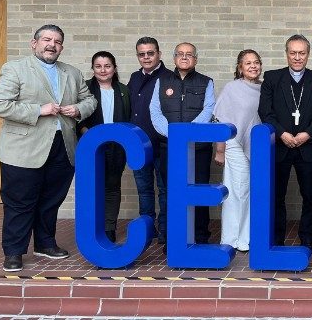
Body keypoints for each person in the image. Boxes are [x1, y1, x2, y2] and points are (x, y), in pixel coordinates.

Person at [0, 24, 97, 272]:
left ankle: (45, 243)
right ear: (34, 43)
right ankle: (14, 251)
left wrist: (78, 109)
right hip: (23, 149)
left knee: (51, 200)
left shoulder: (72, 73)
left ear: (61, 47)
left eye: (57, 41)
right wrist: (39, 110)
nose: (52, 45)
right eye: (47, 39)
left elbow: (90, 100)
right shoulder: (15, 69)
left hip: (63, 147)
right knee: (20, 202)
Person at [257, 34, 312, 258]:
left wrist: (307, 134)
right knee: (277, 196)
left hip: (309, 147)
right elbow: (265, 111)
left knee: (310, 197)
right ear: (286, 53)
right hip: (281, 146)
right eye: (293, 53)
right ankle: (277, 239)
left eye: (302, 53)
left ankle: (307, 240)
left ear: (308, 54)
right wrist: (282, 133)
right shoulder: (272, 78)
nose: (297, 57)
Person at [150, 42, 215, 248]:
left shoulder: (206, 82)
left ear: (196, 59)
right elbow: (155, 111)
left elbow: (209, 109)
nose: (184, 57)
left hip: (198, 149)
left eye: (189, 54)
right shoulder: (161, 81)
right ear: (174, 58)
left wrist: (188, 133)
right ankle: (174, 240)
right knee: (172, 193)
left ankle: (201, 237)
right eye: (180, 54)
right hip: (169, 148)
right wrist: (175, 135)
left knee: (200, 192)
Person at [77, 51, 132, 243]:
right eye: (98, 66)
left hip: (116, 148)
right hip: (91, 147)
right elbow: (76, 118)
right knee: (91, 188)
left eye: (107, 66)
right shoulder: (84, 89)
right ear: (92, 69)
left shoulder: (124, 90)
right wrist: (89, 135)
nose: (103, 70)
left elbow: (129, 118)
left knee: (112, 188)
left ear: (114, 68)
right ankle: (92, 227)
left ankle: (109, 228)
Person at [213, 49, 263, 253]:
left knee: (250, 191)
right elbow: (221, 120)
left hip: (257, 146)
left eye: (256, 62)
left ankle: (246, 237)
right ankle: (231, 238)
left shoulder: (264, 88)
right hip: (233, 144)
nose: (253, 66)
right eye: (248, 63)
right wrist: (220, 150)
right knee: (237, 191)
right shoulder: (232, 88)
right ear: (240, 67)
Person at [127, 37, 172, 243]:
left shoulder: (170, 77)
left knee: (165, 189)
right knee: (144, 189)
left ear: (159, 54)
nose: (146, 57)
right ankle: (148, 228)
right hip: (138, 144)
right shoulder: (135, 78)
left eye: (150, 53)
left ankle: (164, 229)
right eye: (141, 54)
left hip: (163, 144)